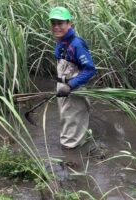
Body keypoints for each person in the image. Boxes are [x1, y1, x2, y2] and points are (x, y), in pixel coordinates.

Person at [49, 7, 96, 149]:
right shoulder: (61, 42)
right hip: (64, 88)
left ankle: (72, 158)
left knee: (71, 128)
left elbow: (90, 70)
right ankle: (81, 145)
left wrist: (70, 85)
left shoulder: (76, 44)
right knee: (68, 120)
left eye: (60, 23)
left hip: (74, 90)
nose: (56, 27)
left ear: (69, 23)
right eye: (54, 23)